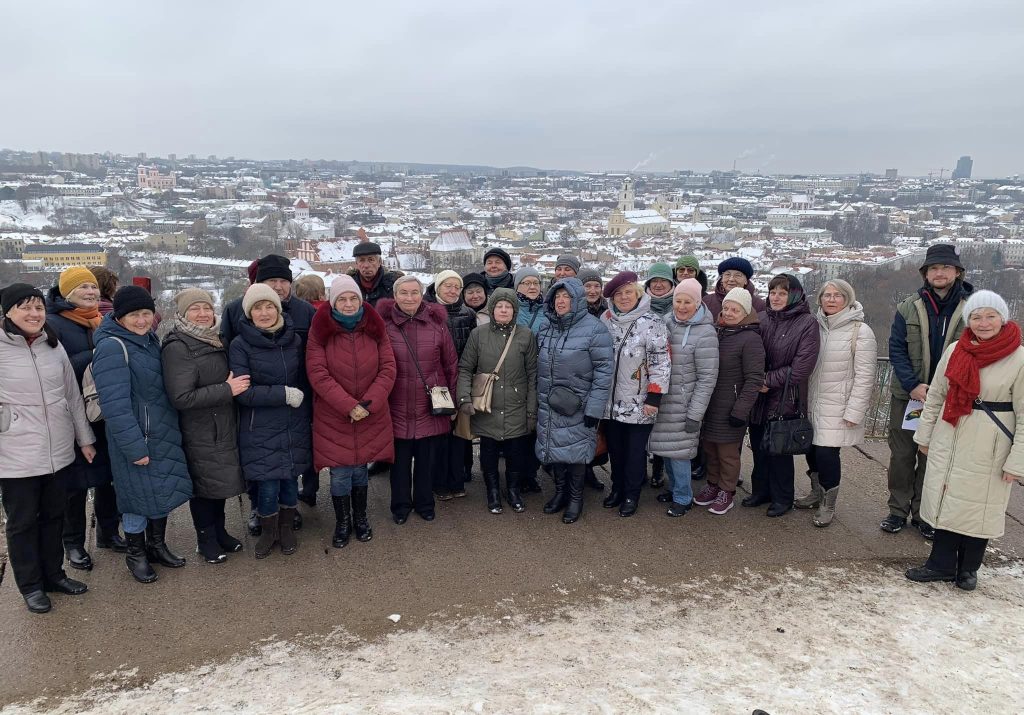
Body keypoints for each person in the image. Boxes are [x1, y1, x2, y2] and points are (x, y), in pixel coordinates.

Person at [907, 290, 1024, 591]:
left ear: (1002, 318)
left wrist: (1017, 461)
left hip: (991, 441)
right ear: (968, 320)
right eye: (976, 316)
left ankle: (968, 569)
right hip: (951, 431)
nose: (983, 323)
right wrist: (925, 434)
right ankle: (940, 563)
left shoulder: (1019, 357)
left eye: (990, 316)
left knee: (979, 506)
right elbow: (936, 395)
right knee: (947, 499)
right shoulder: (957, 349)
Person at [1, 284, 95, 613]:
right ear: (8, 312)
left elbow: (71, 396)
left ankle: (54, 575)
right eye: (25, 308)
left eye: (39, 308)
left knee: (55, 516)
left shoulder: (51, 346)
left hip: (58, 449)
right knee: (23, 522)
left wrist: (84, 439)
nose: (34, 314)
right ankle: (30, 585)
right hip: (15, 455)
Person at [92, 285, 193, 583]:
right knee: (136, 499)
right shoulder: (113, 346)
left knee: (159, 493)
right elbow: (115, 407)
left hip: (160, 432)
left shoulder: (148, 341)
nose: (141, 320)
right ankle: (135, 553)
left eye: (146, 313)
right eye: (134, 315)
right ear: (120, 317)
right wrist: (134, 447)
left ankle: (156, 545)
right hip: (136, 438)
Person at [220, 254, 316, 529]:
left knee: (291, 459)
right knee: (259, 463)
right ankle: (257, 508)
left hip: (296, 402)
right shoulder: (235, 309)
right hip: (256, 404)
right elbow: (227, 349)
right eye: (271, 281)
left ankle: (290, 508)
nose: (278, 286)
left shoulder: (304, 311)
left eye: (283, 281)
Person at [884, 244, 973, 539]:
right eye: (934, 268)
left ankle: (925, 513)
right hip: (909, 395)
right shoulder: (909, 306)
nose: (939, 273)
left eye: (945, 268)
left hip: (951, 396)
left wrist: (945, 389)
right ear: (925, 273)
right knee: (902, 455)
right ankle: (897, 510)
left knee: (934, 457)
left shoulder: (972, 308)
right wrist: (913, 384)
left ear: (957, 272)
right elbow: (896, 349)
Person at [307, 275, 396, 548]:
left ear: (360, 300)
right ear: (333, 302)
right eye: (342, 299)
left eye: (353, 298)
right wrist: (349, 405)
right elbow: (317, 373)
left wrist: (368, 403)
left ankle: (361, 518)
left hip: (370, 411)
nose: (348, 304)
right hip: (335, 414)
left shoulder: (375, 329)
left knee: (360, 468)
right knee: (340, 472)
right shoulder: (320, 331)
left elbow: (388, 368)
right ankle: (342, 522)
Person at [161, 289, 248, 564]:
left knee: (218, 484)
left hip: (221, 425)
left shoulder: (214, 339)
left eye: (206, 308)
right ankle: (205, 540)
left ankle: (220, 532)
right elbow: (181, 397)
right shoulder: (179, 347)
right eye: (194, 309)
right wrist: (226, 389)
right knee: (204, 488)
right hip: (199, 429)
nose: (202, 314)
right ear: (183, 314)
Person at [45, 266, 122, 570]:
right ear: (66, 293)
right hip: (73, 414)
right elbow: (55, 373)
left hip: (104, 411)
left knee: (108, 478)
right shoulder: (53, 325)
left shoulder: (101, 320)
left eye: (92, 287)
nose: (90, 293)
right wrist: (97, 357)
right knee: (75, 484)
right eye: (82, 288)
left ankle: (108, 531)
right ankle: (73, 543)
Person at [378, 276, 459, 524]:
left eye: (415, 293)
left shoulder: (437, 325)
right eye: (404, 293)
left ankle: (425, 503)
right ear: (395, 295)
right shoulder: (384, 325)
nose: (410, 298)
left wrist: (452, 401)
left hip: (429, 404)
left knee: (426, 462)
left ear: (422, 294)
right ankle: (400, 506)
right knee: (399, 464)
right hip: (396, 404)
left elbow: (451, 364)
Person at [797, 280, 877, 527]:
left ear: (848, 299)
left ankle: (828, 504)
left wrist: (855, 411)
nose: (831, 300)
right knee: (811, 451)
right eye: (826, 295)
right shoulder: (814, 326)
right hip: (811, 402)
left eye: (838, 295)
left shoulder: (860, 332)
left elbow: (865, 377)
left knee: (827, 454)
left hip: (838, 406)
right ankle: (816, 493)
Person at [535, 278, 613, 523]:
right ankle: (560, 493)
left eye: (566, 297)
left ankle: (575, 498)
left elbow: (604, 372)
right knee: (555, 448)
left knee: (576, 453)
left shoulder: (594, 329)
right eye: (557, 296)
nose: (561, 301)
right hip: (550, 402)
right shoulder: (547, 327)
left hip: (578, 405)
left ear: (577, 300)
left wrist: (594, 408)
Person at [745, 274, 820, 517]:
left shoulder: (807, 323)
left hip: (785, 396)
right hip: (759, 396)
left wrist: (767, 380)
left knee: (779, 449)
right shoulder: (763, 317)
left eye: (782, 293)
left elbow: (801, 367)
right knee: (758, 446)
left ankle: (782, 497)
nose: (776, 297)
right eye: (773, 292)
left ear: (794, 295)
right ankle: (761, 491)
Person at [457, 288, 538, 514]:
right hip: (487, 403)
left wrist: (532, 411)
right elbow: (465, 368)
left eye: (508, 306)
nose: (504, 310)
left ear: (514, 310)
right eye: (499, 306)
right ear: (492, 309)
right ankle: (492, 491)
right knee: (489, 450)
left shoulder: (526, 335)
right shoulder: (478, 335)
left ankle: (513, 490)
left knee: (515, 451)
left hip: (516, 404)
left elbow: (533, 375)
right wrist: (464, 398)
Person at [600, 271, 670, 517]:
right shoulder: (606, 320)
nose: (624, 297)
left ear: (638, 294)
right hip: (609, 400)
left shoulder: (652, 322)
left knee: (634, 452)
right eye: (619, 294)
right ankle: (617, 488)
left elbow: (661, 362)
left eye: (628, 292)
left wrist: (655, 397)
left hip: (639, 400)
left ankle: (631, 494)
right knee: (616, 450)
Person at [649, 279, 718, 516]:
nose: (682, 306)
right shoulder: (667, 321)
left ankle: (683, 497)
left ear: (697, 303)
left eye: (687, 301)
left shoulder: (706, 333)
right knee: (666, 450)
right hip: (664, 400)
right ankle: (675, 488)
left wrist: (695, 413)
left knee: (679, 455)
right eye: (678, 300)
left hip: (684, 405)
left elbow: (707, 378)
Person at [694, 288, 765, 515]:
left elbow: (754, 378)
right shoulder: (717, 332)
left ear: (745, 312)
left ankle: (727, 490)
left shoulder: (751, 339)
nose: (729, 313)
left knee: (727, 453)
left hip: (731, 407)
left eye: (735, 309)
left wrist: (741, 410)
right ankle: (713, 485)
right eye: (726, 308)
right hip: (711, 404)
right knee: (710, 449)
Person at [424, 270, 478, 499]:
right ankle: (439, 482)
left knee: (459, 434)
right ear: (438, 287)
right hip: (437, 379)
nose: (453, 290)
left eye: (457, 286)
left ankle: (457, 481)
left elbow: (473, 346)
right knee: (439, 435)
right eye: (448, 285)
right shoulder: (427, 311)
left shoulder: (468, 313)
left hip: (462, 377)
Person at [643, 262, 677, 489]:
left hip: (673, 374)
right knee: (645, 424)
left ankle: (659, 466)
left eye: (662, 281)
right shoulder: (641, 306)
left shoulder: (678, 306)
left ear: (670, 284)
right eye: (653, 281)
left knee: (664, 426)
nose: (657, 285)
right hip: (644, 374)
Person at [576, 267, 608, 491]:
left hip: (599, 374)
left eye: (597, 286)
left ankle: (591, 469)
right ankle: (581, 471)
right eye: (588, 286)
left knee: (597, 429)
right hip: (578, 377)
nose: (593, 290)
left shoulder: (608, 311)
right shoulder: (574, 311)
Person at [348, 241, 402, 307]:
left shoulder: (394, 284)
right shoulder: (348, 285)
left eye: (371, 260)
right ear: (356, 263)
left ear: (379, 262)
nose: (366, 265)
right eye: (361, 260)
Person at [514, 267, 547, 333]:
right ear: (517, 287)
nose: (532, 287)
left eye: (536, 283)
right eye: (527, 283)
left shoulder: (548, 310)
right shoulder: (510, 308)